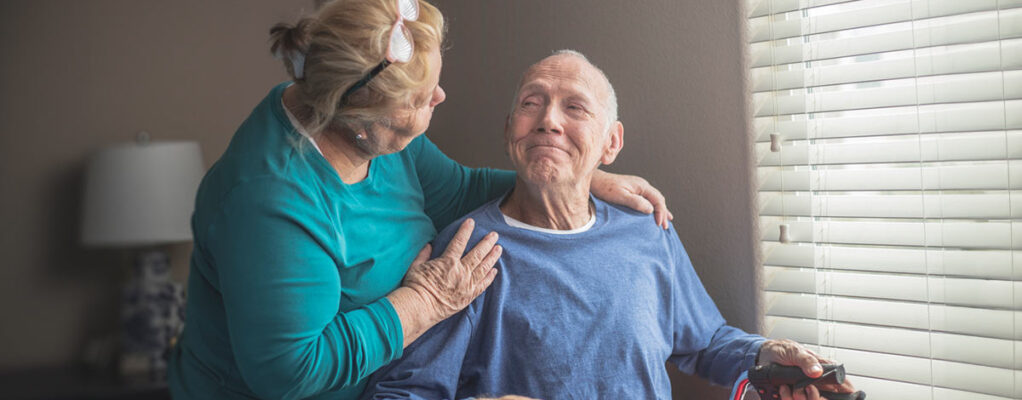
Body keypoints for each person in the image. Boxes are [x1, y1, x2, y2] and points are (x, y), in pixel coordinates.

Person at [166, 1, 674, 399]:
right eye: (418, 99)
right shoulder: (268, 202)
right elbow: (292, 371)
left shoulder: (365, 123)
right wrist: (422, 303)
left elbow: (459, 189)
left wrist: (577, 178)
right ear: (359, 120)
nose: (439, 97)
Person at [361, 51, 858, 400]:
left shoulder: (648, 231)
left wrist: (765, 354)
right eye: (531, 103)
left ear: (611, 143)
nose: (548, 120)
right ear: (509, 127)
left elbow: (703, 340)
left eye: (574, 107)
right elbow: (402, 393)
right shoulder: (466, 253)